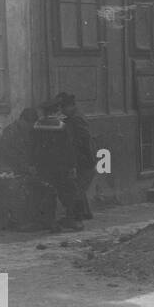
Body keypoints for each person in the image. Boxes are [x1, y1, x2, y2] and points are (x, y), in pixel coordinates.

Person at [30, 99, 82, 231]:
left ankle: (50, 222)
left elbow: (33, 147)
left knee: (48, 192)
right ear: (56, 111)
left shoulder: (36, 125)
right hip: (61, 165)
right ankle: (71, 219)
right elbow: (68, 148)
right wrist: (72, 166)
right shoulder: (62, 126)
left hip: (43, 165)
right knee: (68, 192)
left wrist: (33, 164)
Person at [58, 92, 95, 221]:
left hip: (83, 158)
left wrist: (86, 158)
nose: (62, 110)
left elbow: (84, 140)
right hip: (82, 157)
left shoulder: (76, 119)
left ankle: (75, 217)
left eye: (64, 107)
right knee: (78, 186)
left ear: (71, 106)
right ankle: (85, 213)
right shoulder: (73, 117)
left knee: (76, 188)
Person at [0, 108, 39, 174]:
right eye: (28, 123)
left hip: (24, 170)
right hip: (10, 170)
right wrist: (26, 168)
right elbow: (6, 154)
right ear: (21, 119)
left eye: (32, 124)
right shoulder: (9, 131)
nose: (30, 127)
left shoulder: (31, 132)